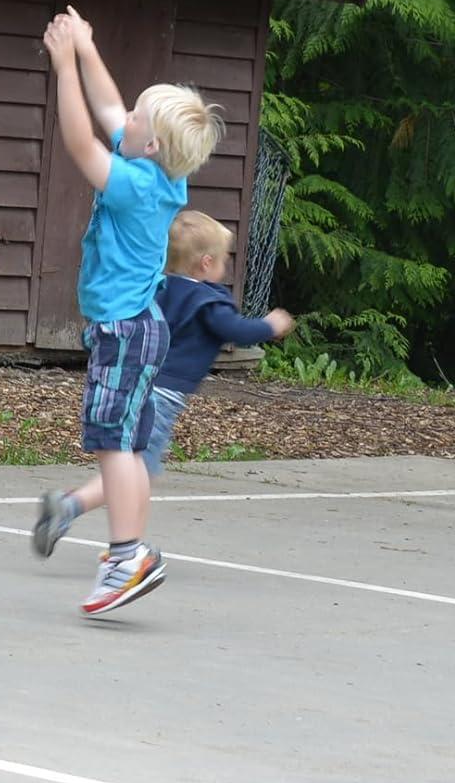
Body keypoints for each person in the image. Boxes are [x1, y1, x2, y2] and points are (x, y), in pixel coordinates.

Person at [36, 6, 223, 616]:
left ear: (153, 143)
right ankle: (128, 553)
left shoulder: (137, 186)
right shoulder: (160, 170)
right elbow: (112, 109)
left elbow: (80, 142)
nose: (128, 118)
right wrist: (88, 47)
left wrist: (65, 65)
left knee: (113, 445)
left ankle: (127, 558)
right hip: (141, 330)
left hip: (123, 331)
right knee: (132, 447)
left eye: (139, 117)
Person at [33, 209, 294, 557]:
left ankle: (123, 541)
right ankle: (81, 515)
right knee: (139, 470)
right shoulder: (207, 301)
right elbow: (235, 330)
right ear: (205, 263)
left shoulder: (156, 289)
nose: (226, 266)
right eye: (223, 259)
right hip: (164, 394)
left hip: (137, 381)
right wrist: (270, 326)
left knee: (134, 464)